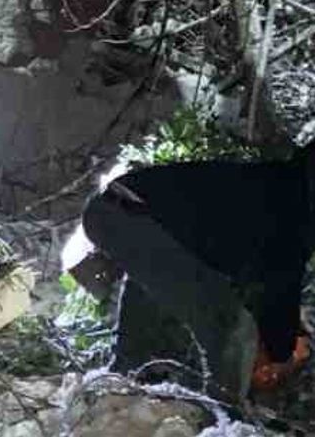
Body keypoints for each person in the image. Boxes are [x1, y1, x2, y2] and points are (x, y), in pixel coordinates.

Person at [81, 140, 315, 402]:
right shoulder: (292, 207)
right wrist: (284, 350)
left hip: (120, 210)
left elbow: (263, 278)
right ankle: (219, 419)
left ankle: (120, 394)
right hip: (134, 216)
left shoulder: (277, 182)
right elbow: (279, 282)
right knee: (227, 324)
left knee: (159, 318)